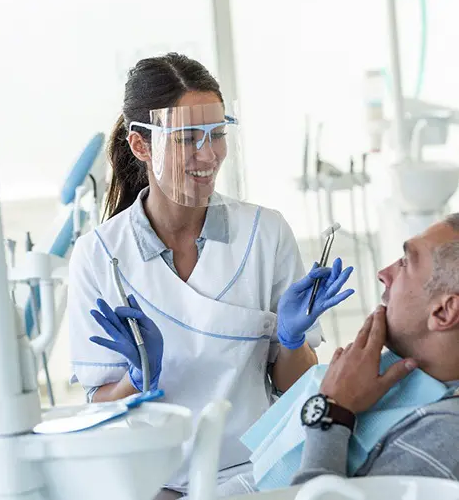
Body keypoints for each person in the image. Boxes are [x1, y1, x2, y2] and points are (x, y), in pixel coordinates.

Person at [67, 53, 354, 498]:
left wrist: (293, 342)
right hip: (152, 479)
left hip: (254, 474)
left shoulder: (265, 232)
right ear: (141, 145)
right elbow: (98, 410)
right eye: (186, 138)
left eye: (217, 134)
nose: (208, 154)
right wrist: (138, 380)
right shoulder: (99, 255)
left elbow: (292, 385)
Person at [217, 213, 459, 497]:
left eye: (406, 262)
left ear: (444, 311)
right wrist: (291, 341)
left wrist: (332, 412)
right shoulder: (395, 386)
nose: (384, 273)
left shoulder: (443, 437)